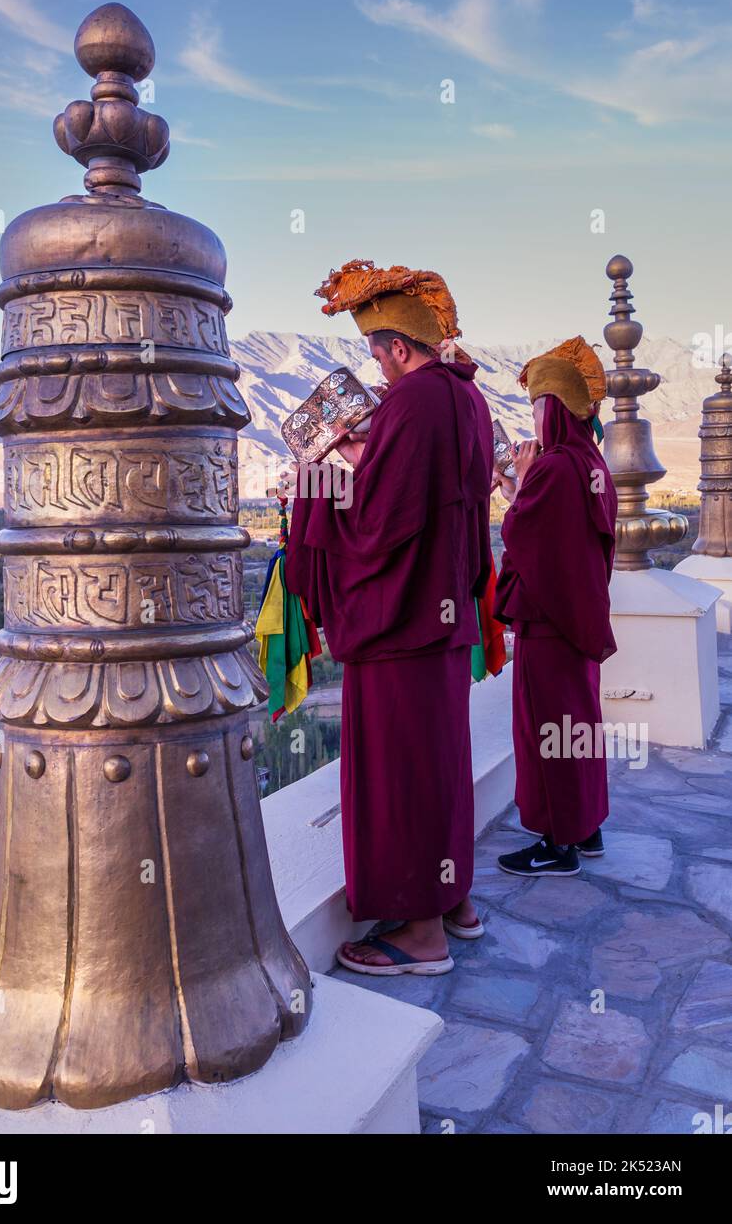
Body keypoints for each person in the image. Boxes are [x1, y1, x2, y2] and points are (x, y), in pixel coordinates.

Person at [284, 259, 494, 974]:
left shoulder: (414, 402)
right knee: (439, 764)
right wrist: (360, 457)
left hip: (401, 623)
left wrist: (319, 468)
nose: (378, 371)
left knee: (403, 773)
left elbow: (378, 519)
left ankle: (421, 934)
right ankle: (453, 899)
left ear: (399, 347)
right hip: (440, 617)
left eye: (378, 354)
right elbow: (425, 499)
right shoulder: (469, 398)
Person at [492, 337, 617, 877]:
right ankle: (585, 829)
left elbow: (526, 533)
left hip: (548, 624)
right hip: (578, 620)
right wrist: (521, 487)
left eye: (538, 409)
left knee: (549, 730)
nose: (534, 422)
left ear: (555, 411)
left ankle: (556, 843)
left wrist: (519, 489)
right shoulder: (591, 463)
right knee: (578, 725)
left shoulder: (555, 468)